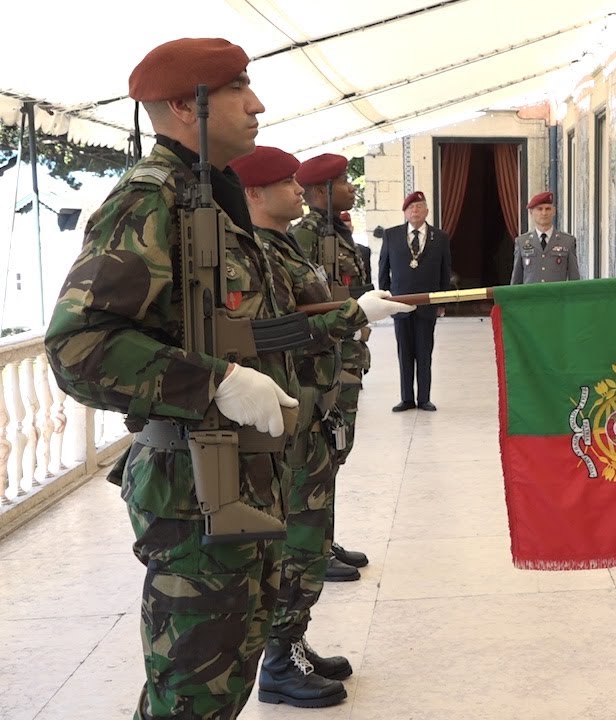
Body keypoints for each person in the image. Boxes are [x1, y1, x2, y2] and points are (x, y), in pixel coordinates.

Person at [43, 38, 299, 719]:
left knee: (223, 682)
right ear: (189, 107)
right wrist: (211, 382)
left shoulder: (207, 196)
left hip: (238, 478)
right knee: (189, 693)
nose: (258, 104)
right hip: (193, 488)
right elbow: (79, 345)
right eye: (240, 88)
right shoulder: (148, 201)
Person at [230, 146, 410, 707]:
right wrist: (356, 313)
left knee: (310, 534)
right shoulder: (258, 251)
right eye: (287, 184)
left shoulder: (282, 245)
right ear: (255, 194)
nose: (298, 192)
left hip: (315, 410)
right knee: (299, 544)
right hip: (291, 421)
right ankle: (280, 664)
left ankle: (292, 646)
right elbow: (276, 331)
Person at [291, 154, 372, 579]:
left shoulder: (336, 233)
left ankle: (323, 538)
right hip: (324, 365)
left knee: (335, 455)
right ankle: (309, 551)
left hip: (346, 359)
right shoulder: (304, 237)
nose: (351, 186)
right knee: (317, 462)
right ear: (319, 191)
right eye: (342, 181)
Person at [379, 190, 452, 412]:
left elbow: (444, 271)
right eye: (411, 207)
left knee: (424, 352)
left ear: (427, 210)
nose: (415, 210)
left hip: (427, 305)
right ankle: (406, 398)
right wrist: (384, 298)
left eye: (419, 206)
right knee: (404, 352)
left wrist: (442, 302)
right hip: (400, 303)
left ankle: (424, 398)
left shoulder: (439, 237)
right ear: (404, 212)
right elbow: (384, 270)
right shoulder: (391, 235)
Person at [510, 191, 580, 283]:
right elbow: (516, 279)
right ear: (531, 212)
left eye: (547, 209)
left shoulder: (567, 241)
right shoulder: (522, 242)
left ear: (553, 211)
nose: (544, 213)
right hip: (531, 297)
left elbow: (574, 278)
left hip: (557, 296)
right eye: (539, 209)